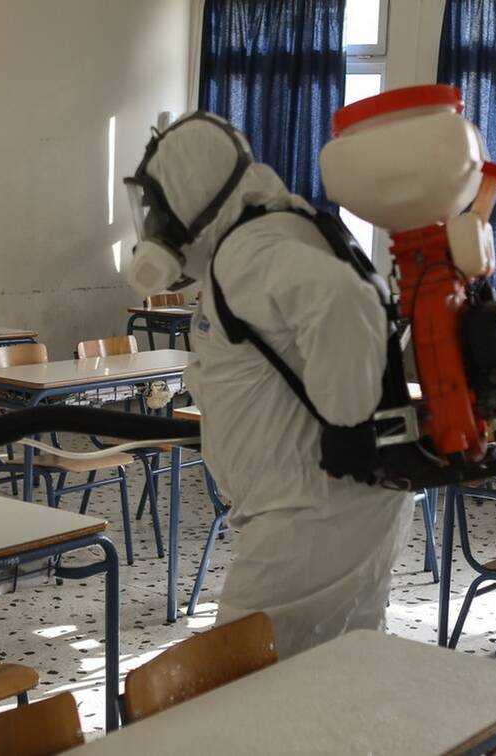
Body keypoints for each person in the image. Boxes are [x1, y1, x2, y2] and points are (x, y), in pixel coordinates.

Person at [123, 112, 412, 657]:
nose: (157, 226)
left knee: (241, 679)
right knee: (333, 672)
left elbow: (342, 298)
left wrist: (347, 422)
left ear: (190, 195)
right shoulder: (278, 228)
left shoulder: (248, 251)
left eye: (161, 208)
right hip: (333, 505)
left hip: (311, 514)